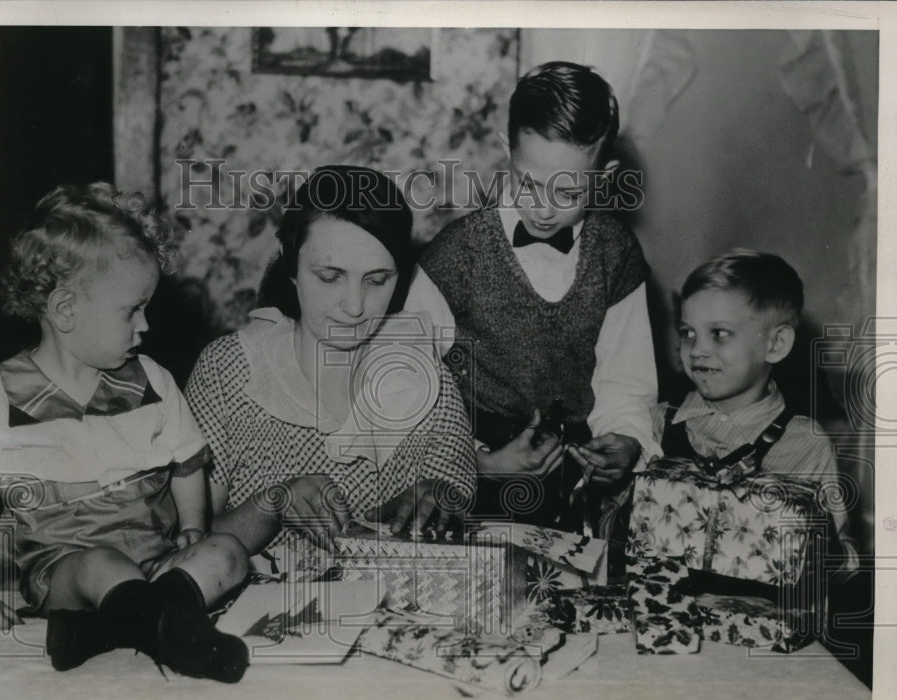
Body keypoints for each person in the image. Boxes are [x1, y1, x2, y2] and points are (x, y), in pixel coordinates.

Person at [0, 183, 250, 682]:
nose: (144, 325)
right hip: (66, 572)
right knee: (99, 564)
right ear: (65, 310)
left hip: (155, 560)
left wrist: (192, 523)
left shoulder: (153, 382)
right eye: (132, 310)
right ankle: (168, 628)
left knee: (229, 555)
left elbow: (188, 461)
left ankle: (111, 631)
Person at [405, 61, 659, 530]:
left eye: (568, 192)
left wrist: (624, 439)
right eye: (528, 183)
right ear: (507, 150)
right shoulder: (456, 255)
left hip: (576, 480)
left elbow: (625, 380)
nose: (543, 209)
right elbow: (408, 386)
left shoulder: (617, 254)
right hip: (473, 474)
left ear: (604, 176)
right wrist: (480, 459)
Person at [184, 166, 476, 571]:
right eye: (330, 277)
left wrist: (437, 503)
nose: (354, 307)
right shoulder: (228, 369)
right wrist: (274, 503)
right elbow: (185, 541)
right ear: (291, 266)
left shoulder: (424, 374)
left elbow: (451, 503)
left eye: (377, 281)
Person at [657, 249, 859, 572]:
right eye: (687, 333)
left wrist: (813, 540)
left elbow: (843, 566)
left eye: (719, 334)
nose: (697, 350)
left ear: (776, 344)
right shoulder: (659, 421)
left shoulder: (806, 444)